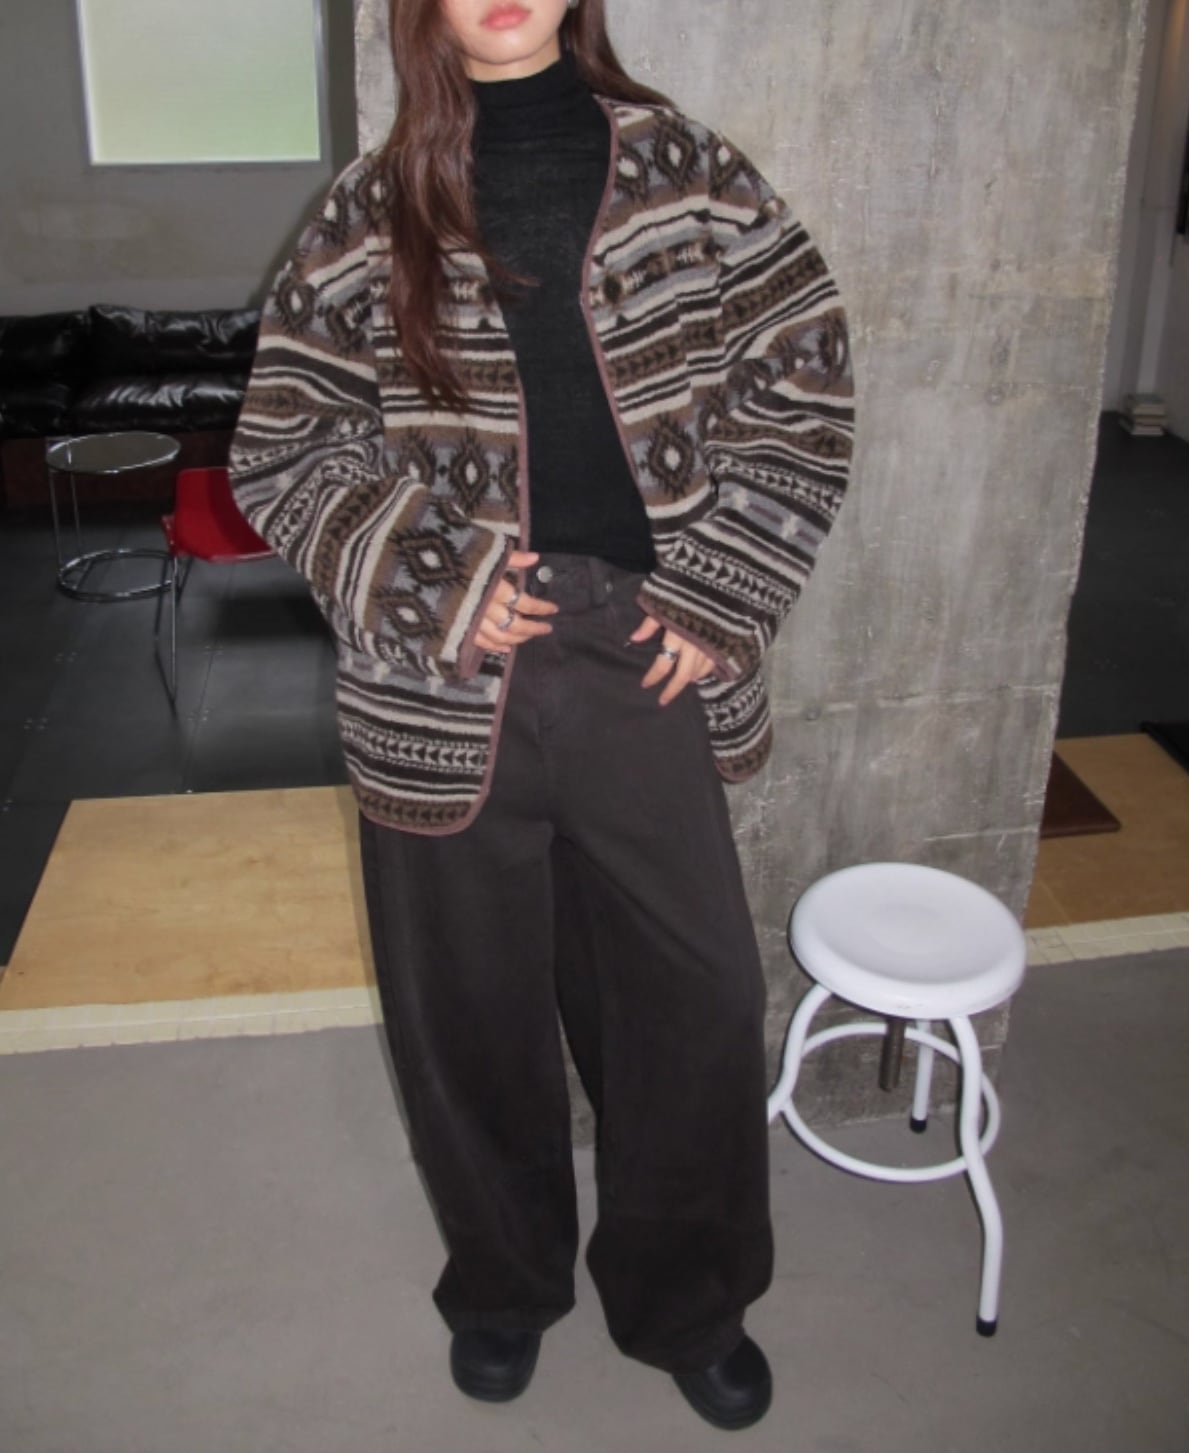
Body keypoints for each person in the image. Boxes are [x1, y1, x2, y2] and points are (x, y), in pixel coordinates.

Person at [229, 0, 853, 1431]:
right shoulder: (369, 209)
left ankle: (686, 1296)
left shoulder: (690, 170)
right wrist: (435, 578)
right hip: (442, 672)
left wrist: (719, 589)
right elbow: (284, 444)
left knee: (695, 996)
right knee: (468, 1006)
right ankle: (504, 1282)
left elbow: (804, 378)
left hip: (643, 647)